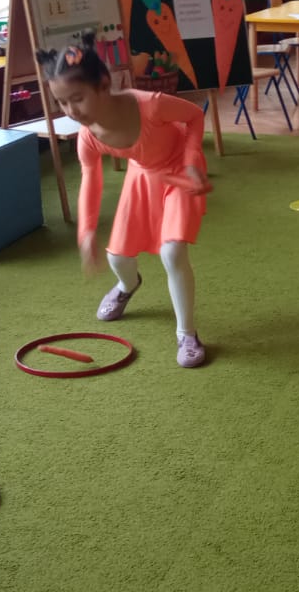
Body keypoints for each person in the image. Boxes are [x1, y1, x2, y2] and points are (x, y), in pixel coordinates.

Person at [40, 43, 212, 369]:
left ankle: (186, 334)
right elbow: (91, 181)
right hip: (144, 176)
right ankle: (127, 285)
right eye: (62, 102)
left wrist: (192, 161)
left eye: (78, 98)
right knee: (118, 256)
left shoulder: (150, 104)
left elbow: (194, 116)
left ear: (104, 85)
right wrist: (87, 232)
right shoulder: (88, 136)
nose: (71, 110)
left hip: (180, 172)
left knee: (173, 251)